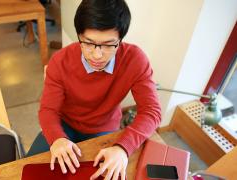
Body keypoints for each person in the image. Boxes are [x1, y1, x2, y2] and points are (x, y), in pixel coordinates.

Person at [27, 0, 161, 179]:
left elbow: (151, 111)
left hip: (104, 127)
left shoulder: (135, 60)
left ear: (120, 39)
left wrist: (123, 148)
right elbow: (48, 110)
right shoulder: (59, 61)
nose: (97, 55)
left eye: (108, 45)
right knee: (32, 170)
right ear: (79, 36)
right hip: (65, 124)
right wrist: (57, 138)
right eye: (88, 43)